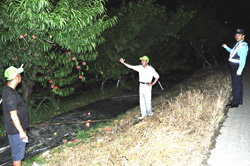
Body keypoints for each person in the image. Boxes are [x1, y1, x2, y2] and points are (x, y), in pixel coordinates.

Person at [2, 66, 29, 166]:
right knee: (18, 156)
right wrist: (21, 131)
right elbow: (13, 115)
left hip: (13, 129)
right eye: (19, 74)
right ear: (16, 77)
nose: (20, 76)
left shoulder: (7, 89)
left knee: (16, 152)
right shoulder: (10, 95)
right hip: (16, 130)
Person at [222, 29, 249, 108]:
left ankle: (235, 103)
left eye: (239, 35)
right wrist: (226, 47)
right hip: (234, 66)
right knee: (238, 83)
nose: (237, 36)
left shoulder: (243, 46)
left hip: (236, 67)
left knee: (236, 84)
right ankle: (239, 99)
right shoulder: (238, 44)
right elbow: (233, 52)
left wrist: (240, 70)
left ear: (243, 36)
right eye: (236, 35)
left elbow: (243, 59)